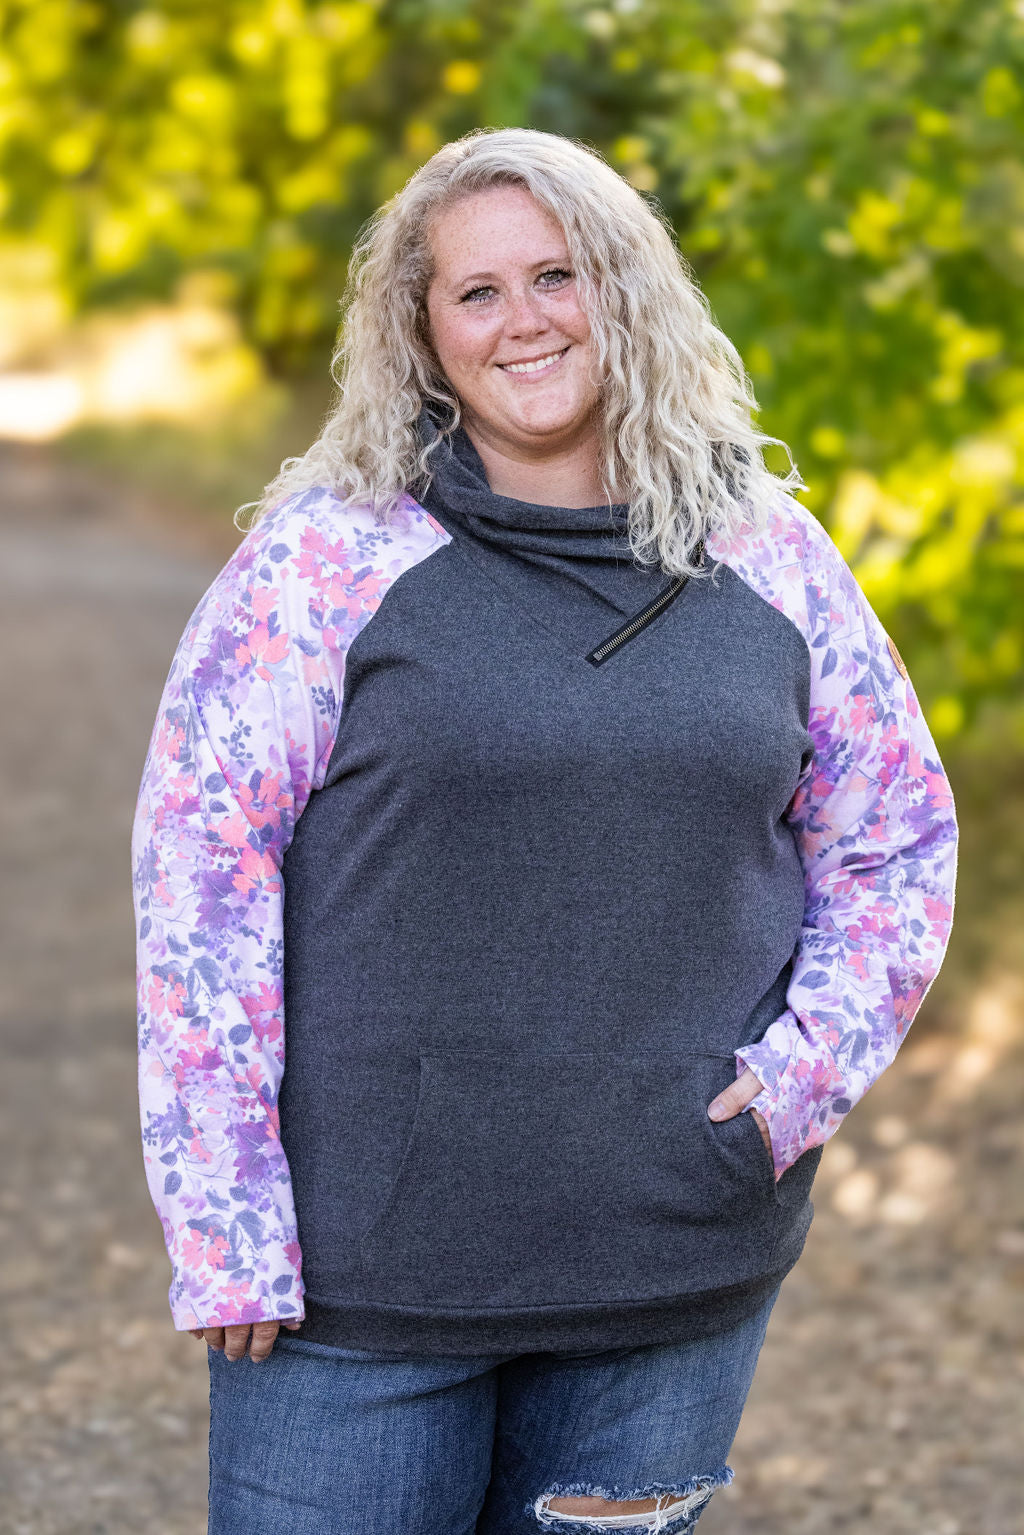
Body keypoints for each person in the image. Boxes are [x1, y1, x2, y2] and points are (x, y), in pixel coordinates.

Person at [131, 127, 958, 1534]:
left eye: (559, 275)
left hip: (666, 1274)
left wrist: (796, 1086)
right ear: (423, 332)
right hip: (358, 1289)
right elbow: (200, 880)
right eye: (477, 292)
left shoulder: (767, 557)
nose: (526, 321)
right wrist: (227, 1231)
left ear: (625, 291)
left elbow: (895, 846)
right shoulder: (327, 559)